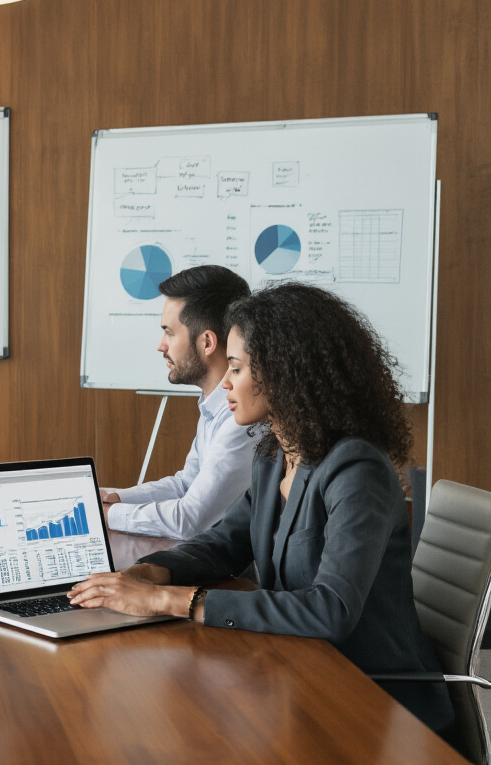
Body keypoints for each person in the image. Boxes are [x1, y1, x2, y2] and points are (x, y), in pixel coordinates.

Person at [68, 283, 455, 739]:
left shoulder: (356, 468)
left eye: (236, 368)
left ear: (286, 373)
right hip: (300, 674)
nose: (226, 382)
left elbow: (330, 610)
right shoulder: (276, 454)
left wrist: (172, 601)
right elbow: (224, 543)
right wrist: (150, 574)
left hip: (375, 702)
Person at [100, 265, 257, 539]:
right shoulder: (212, 404)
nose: (161, 345)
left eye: (169, 333)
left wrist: (109, 514)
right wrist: (115, 498)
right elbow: (186, 483)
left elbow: (189, 519)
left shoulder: (241, 417)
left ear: (207, 343)